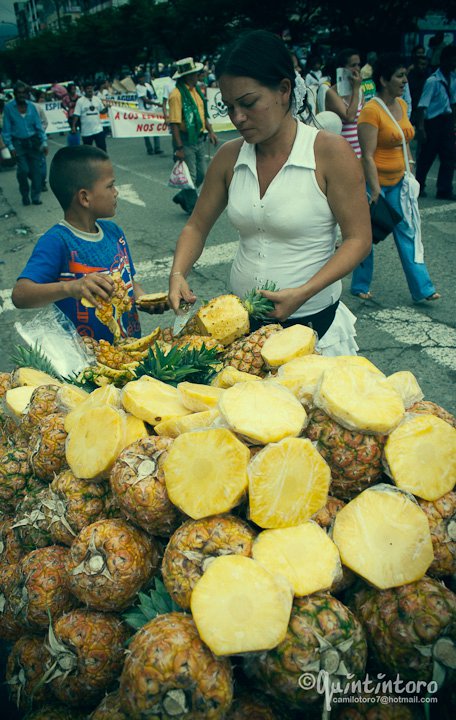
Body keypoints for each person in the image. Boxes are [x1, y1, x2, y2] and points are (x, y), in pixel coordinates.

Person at [168, 30, 372, 355]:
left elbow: (358, 239)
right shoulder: (229, 157)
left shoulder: (329, 153)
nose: (238, 118)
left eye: (248, 103)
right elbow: (196, 225)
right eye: (228, 107)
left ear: (283, 90)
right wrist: (178, 273)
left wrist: (304, 292)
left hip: (312, 324)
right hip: (243, 330)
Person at [12, 146, 166, 342]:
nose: (116, 192)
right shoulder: (57, 241)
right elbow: (20, 294)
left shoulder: (114, 232)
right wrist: (71, 288)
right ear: (85, 197)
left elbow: (130, 283)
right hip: (86, 361)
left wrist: (145, 300)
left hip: (129, 348)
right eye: (110, 186)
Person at [351, 53, 439, 302]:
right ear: (383, 79)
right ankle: (360, 285)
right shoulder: (370, 111)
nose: (405, 81)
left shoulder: (401, 105)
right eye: (400, 76)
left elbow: (403, 140)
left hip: (399, 182)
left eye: (405, 76)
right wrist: (375, 190)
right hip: (375, 185)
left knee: (408, 232)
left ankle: (423, 289)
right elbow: (367, 155)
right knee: (367, 235)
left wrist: (408, 170)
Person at [168, 57, 218, 214]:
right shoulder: (176, 95)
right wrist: (179, 147)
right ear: (188, 76)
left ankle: (184, 195)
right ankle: (192, 207)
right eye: (196, 74)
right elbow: (174, 123)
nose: (199, 76)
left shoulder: (196, 91)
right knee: (192, 174)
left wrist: (210, 131)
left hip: (199, 137)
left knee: (202, 174)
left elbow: (203, 115)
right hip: (185, 140)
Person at [415, 45, 456, 201]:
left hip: (447, 121)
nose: (454, 63)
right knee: (427, 156)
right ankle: (419, 185)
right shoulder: (432, 81)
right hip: (433, 122)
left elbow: (453, 104)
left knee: (449, 156)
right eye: (451, 59)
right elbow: (422, 106)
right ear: (443, 60)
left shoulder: (453, 79)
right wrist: (421, 128)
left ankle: (444, 189)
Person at [2, 82, 48, 206]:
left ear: (27, 94)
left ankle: (35, 197)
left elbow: (38, 126)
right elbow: (6, 129)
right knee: (23, 170)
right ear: (15, 94)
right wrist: (10, 146)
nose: (22, 95)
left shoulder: (32, 107)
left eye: (24, 93)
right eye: (19, 93)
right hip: (18, 143)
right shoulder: (9, 108)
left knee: (36, 171)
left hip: (33, 142)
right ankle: (24, 194)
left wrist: (44, 142)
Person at [325, 48, 364, 157]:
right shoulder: (332, 93)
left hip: (360, 152)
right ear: (342, 69)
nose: (357, 69)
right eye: (353, 65)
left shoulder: (360, 91)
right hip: (343, 153)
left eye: (359, 65)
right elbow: (350, 117)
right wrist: (356, 89)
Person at [71, 83, 107, 151]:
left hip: (98, 130)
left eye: (91, 88)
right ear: (84, 90)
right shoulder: (80, 101)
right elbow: (76, 115)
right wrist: (73, 126)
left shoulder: (97, 99)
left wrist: (107, 108)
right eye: (88, 88)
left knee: (102, 150)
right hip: (86, 131)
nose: (90, 90)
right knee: (87, 152)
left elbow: (102, 111)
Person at [135, 71, 163, 156]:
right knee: (146, 131)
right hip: (144, 110)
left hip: (151, 110)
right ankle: (149, 149)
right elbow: (145, 99)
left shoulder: (148, 85)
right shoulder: (138, 87)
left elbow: (153, 94)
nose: (142, 79)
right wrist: (156, 104)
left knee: (155, 128)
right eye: (141, 78)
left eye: (143, 77)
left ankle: (157, 147)